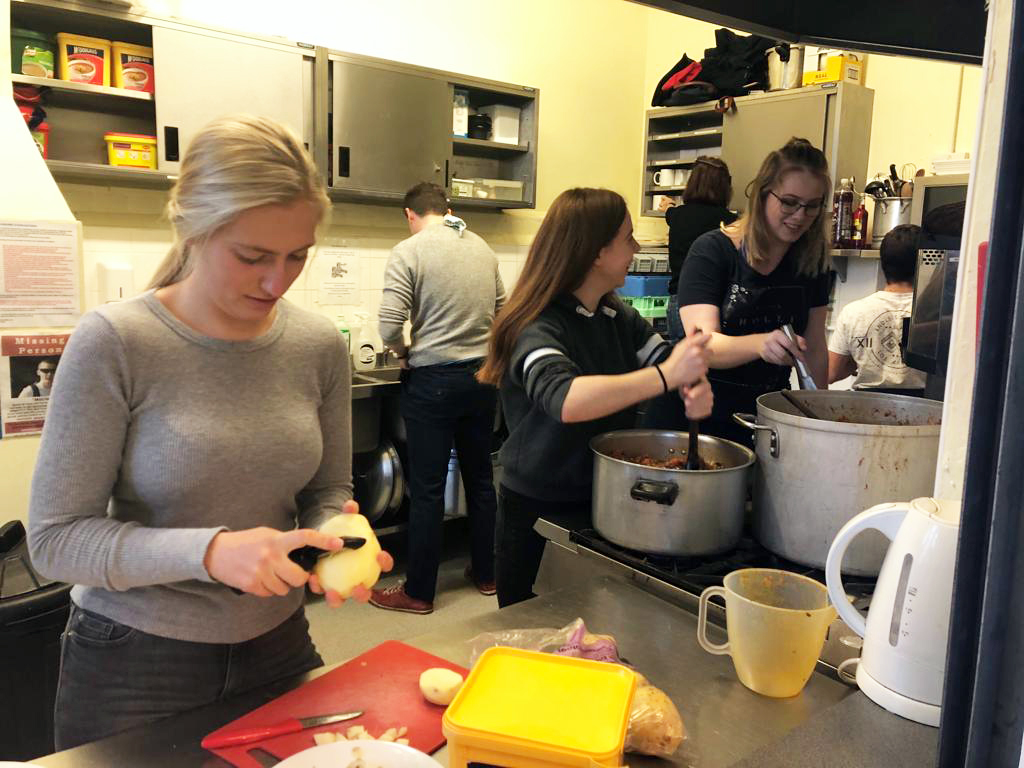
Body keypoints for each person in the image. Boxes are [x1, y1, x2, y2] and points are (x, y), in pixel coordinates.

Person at [27, 115, 392, 750]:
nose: (278, 281)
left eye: (297, 256)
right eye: (252, 257)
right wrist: (212, 552)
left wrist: (335, 537)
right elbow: (56, 541)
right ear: (193, 232)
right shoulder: (116, 342)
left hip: (278, 644)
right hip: (134, 661)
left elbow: (327, 489)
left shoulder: (314, 346)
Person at [477, 188, 713, 608]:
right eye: (628, 238)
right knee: (531, 635)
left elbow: (665, 357)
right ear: (596, 252)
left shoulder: (614, 314)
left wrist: (690, 380)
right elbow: (566, 399)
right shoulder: (536, 325)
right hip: (535, 511)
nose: (637, 248)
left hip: (601, 503)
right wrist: (666, 376)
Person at [371, 182, 505, 615]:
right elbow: (503, 309)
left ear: (410, 215)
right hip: (483, 377)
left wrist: (403, 351)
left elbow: (390, 323)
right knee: (481, 480)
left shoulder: (409, 250)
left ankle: (420, 592)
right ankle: (487, 573)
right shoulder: (481, 247)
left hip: (433, 380)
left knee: (426, 489)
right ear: (446, 209)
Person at [678, 137, 832, 444]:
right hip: (701, 418)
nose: (800, 215)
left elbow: (814, 347)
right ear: (762, 194)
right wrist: (760, 344)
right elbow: (702, 347)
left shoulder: (812, 262)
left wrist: (822, 419)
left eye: (812, 206)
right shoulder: (713, 252)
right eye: (789, 202)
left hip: (769, 419)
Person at [828, 224, 927, 395]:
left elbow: (830, 374)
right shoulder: (937, 314)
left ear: (883, 263)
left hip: (866, 409)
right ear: (924, 262)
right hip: (923, 410)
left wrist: (860, 360)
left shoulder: (854, 312)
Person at [662, 157, 738, 341]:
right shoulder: (730, 222)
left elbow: (669, 212)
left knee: (680, 364)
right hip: (715, 303)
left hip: (678, 301)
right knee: (712, 364)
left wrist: (669, 205)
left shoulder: (677, 216)